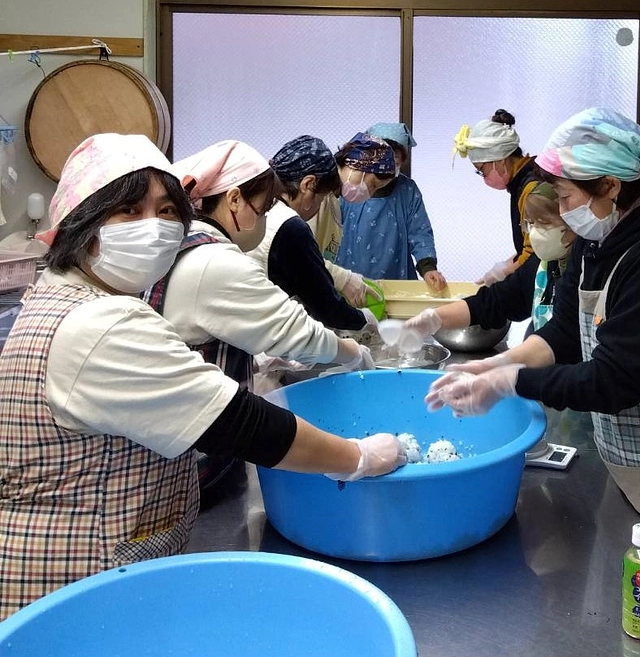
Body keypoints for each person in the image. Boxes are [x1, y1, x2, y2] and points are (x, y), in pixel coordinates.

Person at [0, 134, 405, 620]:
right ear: (82, 223)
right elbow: (240, 423)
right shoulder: (101, 325)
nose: (154, 228)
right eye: (129, 211)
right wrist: (358, 455)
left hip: (105, 563)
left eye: (167, 210)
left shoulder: (71, 296)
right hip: (70, 585)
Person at [427, 108, 640, 651]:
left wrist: (510, 384)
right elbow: (565, 333)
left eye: (567, 195)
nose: (560, 210)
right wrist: (493, 365)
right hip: (628, 455)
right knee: (635, 614)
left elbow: (614, 381)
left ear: (611, 185)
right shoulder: (599, 239)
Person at [151, 140, 376, 488]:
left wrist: (258, 362)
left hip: (178, 437)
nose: (266, 219)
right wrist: (355, 353)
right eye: (263, 208)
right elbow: (302, 332)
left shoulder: (188, 242)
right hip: (193, 456)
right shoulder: (215, 262)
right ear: (235, 199)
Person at [401, 182, 567, 341]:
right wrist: (433, 318)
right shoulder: (540, 265)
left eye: (544, 223)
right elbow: (494, 302)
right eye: (531, 224)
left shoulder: (583, 268)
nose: (535, 233)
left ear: (570, 221)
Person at [248, 134, 378, 332]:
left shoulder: (260, 210)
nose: (318, 207)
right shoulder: (290, 227)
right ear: (307, 184)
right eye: (321, 197)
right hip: (266, 338)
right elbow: (325, 307)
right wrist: (365, 321)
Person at [335, 123, 446, 290]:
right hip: (348, 277)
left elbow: (420, 231)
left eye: (394, 163)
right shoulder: (348, 188)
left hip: (396, 276)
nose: (387, 170)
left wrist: (427, 267)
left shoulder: (407, 190)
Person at [453, 109, 547, 285]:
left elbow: (536, 252)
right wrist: (506, 265)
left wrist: (503, 273)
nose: (484, 177)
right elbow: (529, 244)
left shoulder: (532, 188)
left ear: (500, 159)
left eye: (482, 170)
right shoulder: (521, 182)